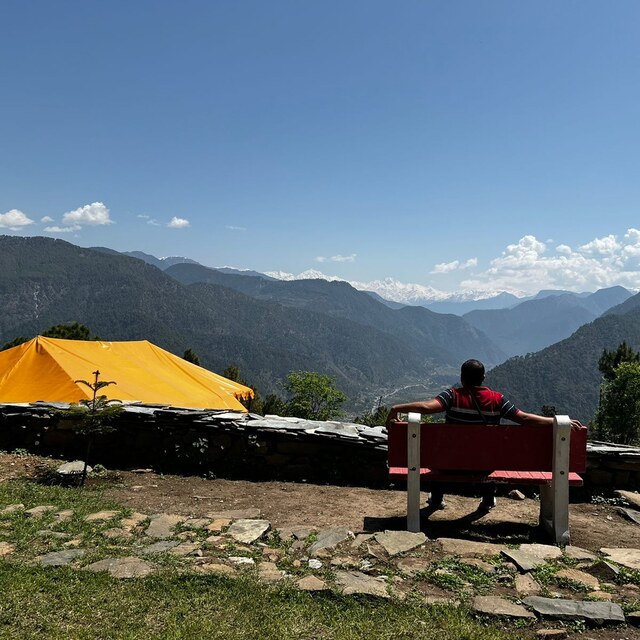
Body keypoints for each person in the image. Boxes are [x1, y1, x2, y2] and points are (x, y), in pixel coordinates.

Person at [385, 359, 583, 512]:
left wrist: (396, 408)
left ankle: (436, 500)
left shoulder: (453, 396)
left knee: (441, 456)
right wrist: (554, 421)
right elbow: (524, 419)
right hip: (484, 467)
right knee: (486, 454)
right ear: (483, 378)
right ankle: (488, 500)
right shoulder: (497, 400)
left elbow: (428, 407)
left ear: (462, 378)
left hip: (448, 464)